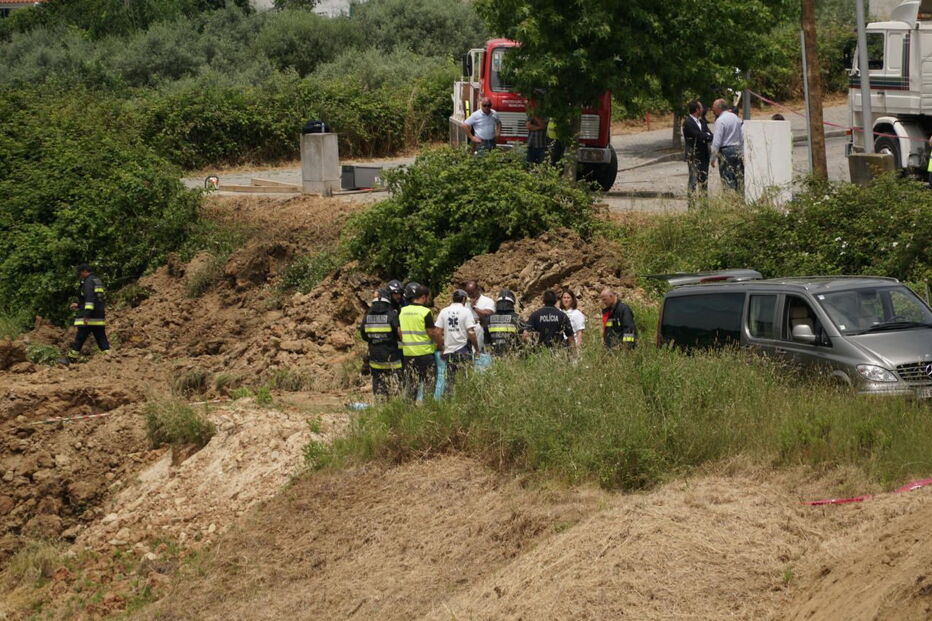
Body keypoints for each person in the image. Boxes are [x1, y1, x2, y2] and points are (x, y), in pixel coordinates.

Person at [399, 284, 443, 401]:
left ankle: (409, 409)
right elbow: (432, 332)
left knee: (412, 384)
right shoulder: (425, 312)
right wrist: (440, 345)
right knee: (429, 383)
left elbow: (399, 331)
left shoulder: (402, 311)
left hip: (408, 354)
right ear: (423, 297)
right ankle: (427, 408)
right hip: (425, 354)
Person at [359, 288, 403, 397]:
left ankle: (380, 405)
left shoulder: (367, 316)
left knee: (378, 383)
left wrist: (374, 339)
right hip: (392, 356)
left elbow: (363, 335)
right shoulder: (392, 315)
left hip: (375, 356)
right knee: (396, 383)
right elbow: (399, 334)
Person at [64, 264, 109, 363]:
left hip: (90, 317)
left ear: (84, 271)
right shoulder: (97, 281)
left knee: (80, 337)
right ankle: (109, 357)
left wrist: (86, 314)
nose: (80, 275)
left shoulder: (88, 282)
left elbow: (90, 299)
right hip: (99, 316)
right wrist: (79, 305)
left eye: (80, 273)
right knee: (101, 338)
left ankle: (71, 358)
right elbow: (97, 299)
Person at [435, 289, 478, 392]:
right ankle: (464, 399)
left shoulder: (444, 311)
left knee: (449, 380)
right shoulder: (466, 311)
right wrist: (476, 348)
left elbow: (437, 332)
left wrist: (441, 348)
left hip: (449, 351)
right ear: (463, 299)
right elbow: (471, 332)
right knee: (465, 379)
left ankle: (448, 401)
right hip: (463, 350)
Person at [710, 98, 744, 192]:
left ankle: (730, 199)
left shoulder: (720, 120)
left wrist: (713, 157)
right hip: (737, 149)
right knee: (738, 177)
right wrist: (742, 150)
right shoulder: (735, 117)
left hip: (726, 151)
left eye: (713, 107)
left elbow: (717, 141)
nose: (712, 109)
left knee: (727, 178)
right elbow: (741, 136)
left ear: (718, 108)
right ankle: (740, 199)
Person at [682, 100, 713, 198]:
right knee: (693, 180)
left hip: (704, 155)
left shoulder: (701, 121)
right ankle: (691, 205)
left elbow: (710, 135)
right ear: (697, 109)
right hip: (694, 155)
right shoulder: (688, 122)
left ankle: (704, 204)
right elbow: (698, 135)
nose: (703, 109)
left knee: (704, 181)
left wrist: (706, 135)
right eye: (701, 107)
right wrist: (706, 135)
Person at [487, 289, 526, 355]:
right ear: (512, 303)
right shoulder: (517, 318)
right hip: (513, 356)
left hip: (494, 357)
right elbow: (525, 336)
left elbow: (486, 339)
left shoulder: (489, 319)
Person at [463, 280, 494, 352]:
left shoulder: (487, 301)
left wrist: (474, 307)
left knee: (478, 328)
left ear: (478, 290)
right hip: (468, 330)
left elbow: (488, 315)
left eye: (472, 293)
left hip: (482, 330)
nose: (470, 295)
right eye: (468, 294)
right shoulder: (466, 303)